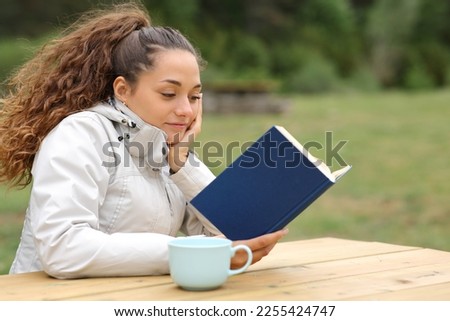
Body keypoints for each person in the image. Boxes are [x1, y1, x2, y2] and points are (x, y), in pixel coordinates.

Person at [0, 2, 287, 279]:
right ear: (123, 89)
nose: (186, 110)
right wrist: (180, 251)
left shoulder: (169, 149)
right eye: (168, 94)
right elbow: (61, 247)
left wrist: (183, 167)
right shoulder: (80, 134)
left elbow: (233, 236)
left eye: (195, 96)